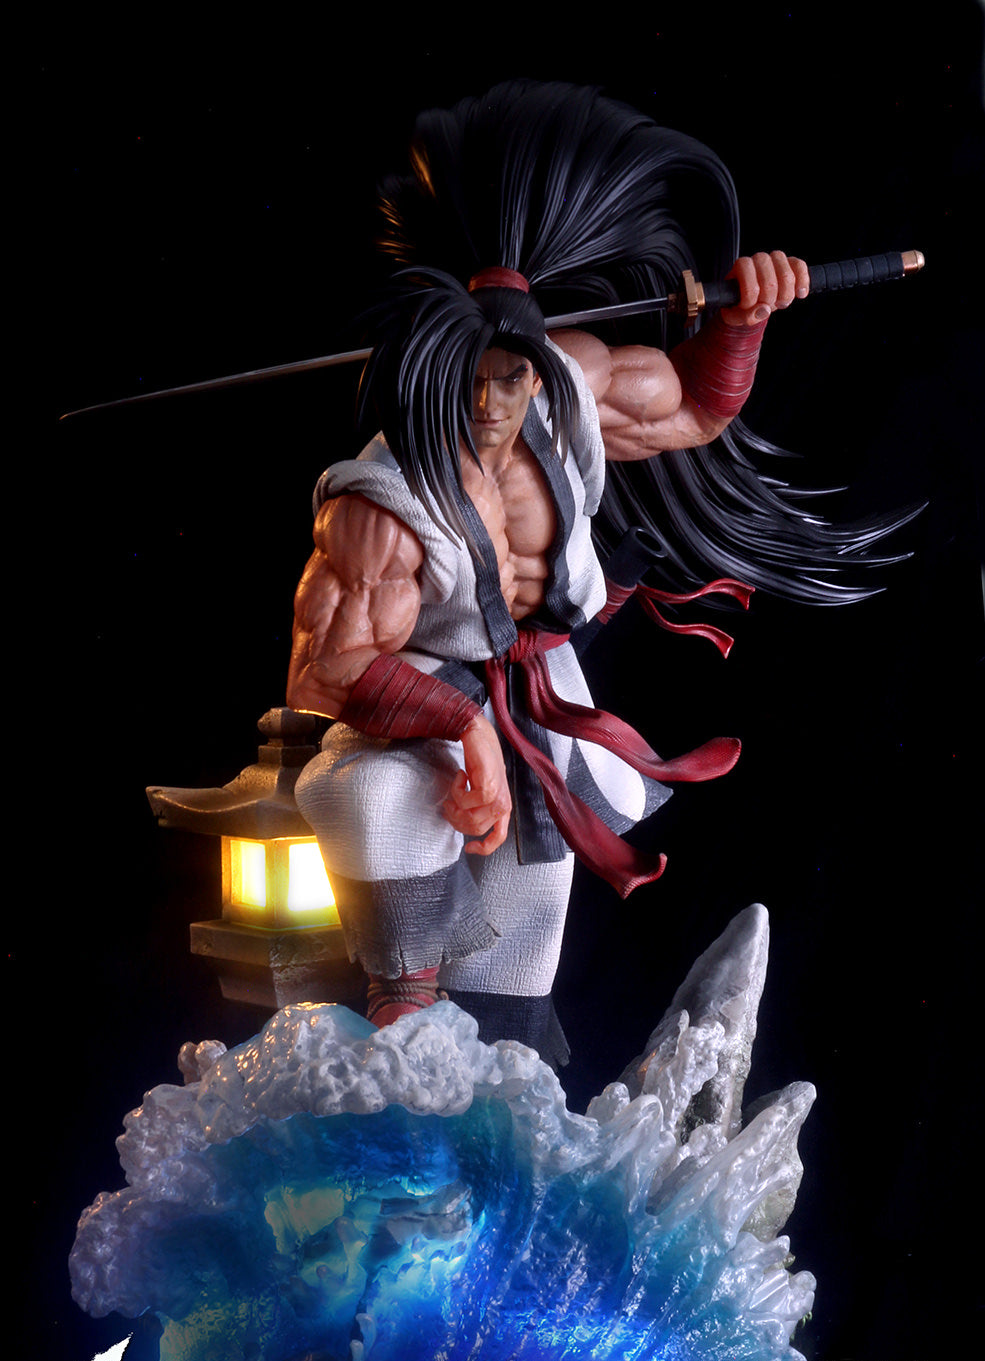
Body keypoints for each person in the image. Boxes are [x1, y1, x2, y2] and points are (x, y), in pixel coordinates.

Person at [285, 83, 910, 1063]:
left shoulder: (573, 382)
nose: (491, 403)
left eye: (511, 376)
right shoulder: (382, 498)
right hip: (420, 699)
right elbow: (325, 670)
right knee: (372, 806)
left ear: (536, 365)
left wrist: (743, 322)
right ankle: (399, 999)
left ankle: (507, 1070)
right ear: (427, 367)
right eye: (468, 379)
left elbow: (693, 410)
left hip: (541, 688)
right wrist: (462, 728)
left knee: (525, 931)